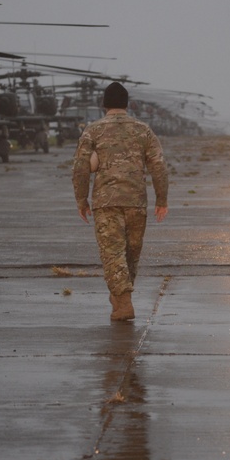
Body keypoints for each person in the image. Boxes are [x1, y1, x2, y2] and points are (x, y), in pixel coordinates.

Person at [72, 82, 169, 321]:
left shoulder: (93, 130)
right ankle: (121, 298)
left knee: (113, 253)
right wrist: (162, 199)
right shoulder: (143, 130)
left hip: (106, 203)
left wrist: (81, 199)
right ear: (127, 104)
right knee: (130, 255)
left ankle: (123, 302)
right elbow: (158, 166)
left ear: (104, 104)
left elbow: (81, 167)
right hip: (136, 202)